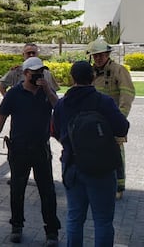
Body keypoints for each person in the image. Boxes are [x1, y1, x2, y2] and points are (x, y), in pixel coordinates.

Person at [52, 61, 130, 246]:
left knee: (74, 217)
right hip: (101, 168)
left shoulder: (62, 104)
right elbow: (122, 128)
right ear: (93, 77)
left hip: (72, 164)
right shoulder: (104, 101)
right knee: (102, 220)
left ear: (72, 79)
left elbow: (55, 131)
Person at [0, 57, 60, 245]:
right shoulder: (14, 94)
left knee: (47, 191)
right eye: (35, 73)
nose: (38, 76)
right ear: (26, 74)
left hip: (41, 149)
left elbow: (58, 108)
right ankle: (16, 226)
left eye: (41, 73)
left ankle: (51, 231)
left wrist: (47, 89)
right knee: (17, 189)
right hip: (19, 149)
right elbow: (1, 119)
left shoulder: (45, 91)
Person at [86, 38, 135, 199]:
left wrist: (119, 119)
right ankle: (99, 184)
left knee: (116, 154)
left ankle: (118, 187)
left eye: (101, 55)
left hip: (112, 121)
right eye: (95, 56)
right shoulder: (91, 73)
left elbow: (127, 96)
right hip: (95, 122)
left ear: (107, 54)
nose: (98, 58)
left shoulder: (119, 71)